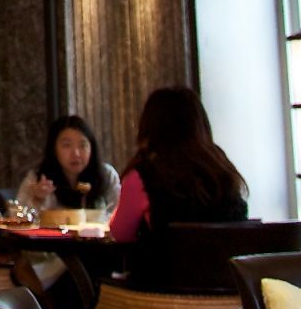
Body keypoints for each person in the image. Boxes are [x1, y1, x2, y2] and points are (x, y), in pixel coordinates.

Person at [104, 85, 250, 241]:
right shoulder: (222, 169)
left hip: (167, 257)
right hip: (226, 257)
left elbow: (120, 233)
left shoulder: (145, 176)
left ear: (149, 126)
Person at [14, 114, 121, 214]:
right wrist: (37, 199)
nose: (76, 153)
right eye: (67, 145)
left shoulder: (106, 176)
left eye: (83, 145)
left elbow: (119, 214)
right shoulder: (38, 178)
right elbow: (16, 215)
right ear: (54, 149)